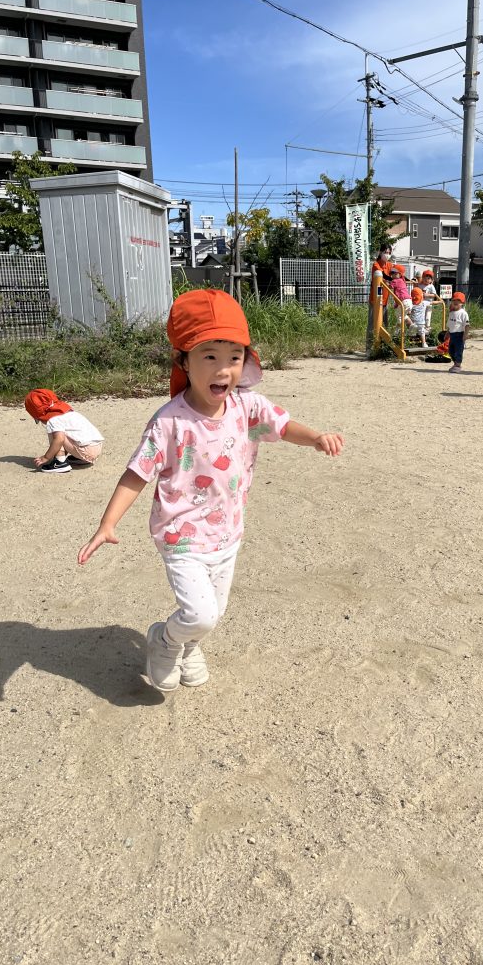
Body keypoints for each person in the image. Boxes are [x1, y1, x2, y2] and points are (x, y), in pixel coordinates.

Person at [77, 289, 344, 694]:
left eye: (234, 357)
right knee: (200, 613)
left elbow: (283, 426)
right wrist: (107, 524)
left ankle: (189, 648)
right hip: (180, 535)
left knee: (213, 612)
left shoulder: (247, 408)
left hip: (227, 533)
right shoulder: (169, 422)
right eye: (209, 357)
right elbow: (137, 474)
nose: (223, 369)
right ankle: (165, 641)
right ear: (184, 361)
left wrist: (317, 437)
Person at [25, 388, 104, 473]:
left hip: (86, 451)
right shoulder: (69, 413)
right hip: (97, 447)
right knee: (65, 432)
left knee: (56, 435)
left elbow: (59, 440)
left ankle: (60, 462)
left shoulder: (53, 419)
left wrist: (46, 457)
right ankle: (81, 458)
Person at [368, 244, 393, 349]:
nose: (387, 255)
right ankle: (369, 348)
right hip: (376, 299)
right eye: (385, 252)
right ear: (380, 252)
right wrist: (391, 280)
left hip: (385, 299)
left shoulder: (389, 265)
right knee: (372, 324)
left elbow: (397, 274)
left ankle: (384, 347)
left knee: (385, 323)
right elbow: (384, 276)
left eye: (389, 253)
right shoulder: (376, 265)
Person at [447, 291, 470, 372]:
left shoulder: (463, 313)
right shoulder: (451, 313)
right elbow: (450, 324)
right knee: (450, 350)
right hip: (452, 335)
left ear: (462, 303)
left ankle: (458, 365)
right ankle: (455, 363)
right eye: (454, 300)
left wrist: (465, 335)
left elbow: (467, 325)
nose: (456, 302)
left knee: (458, 350)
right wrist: (447, 333)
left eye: (458, 301)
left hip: (459, 335)